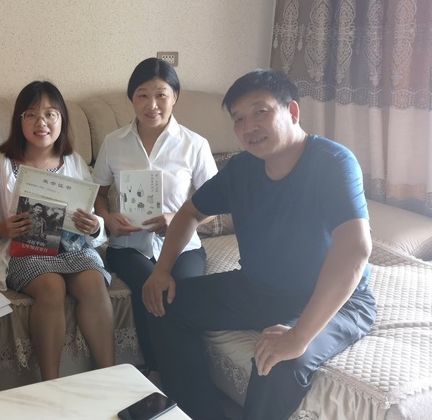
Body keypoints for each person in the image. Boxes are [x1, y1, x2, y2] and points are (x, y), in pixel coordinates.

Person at [142, 69, 376, 420]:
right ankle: (200, 413)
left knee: (277, 363)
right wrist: (162, 270)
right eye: (239, 119)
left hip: (336, 301)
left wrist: (299, 335)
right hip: (258, 288)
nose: (248, 126)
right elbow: (189, 213)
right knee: (162, 303)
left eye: (260, 112)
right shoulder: (242, 168)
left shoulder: (333, 163)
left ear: (292, 112)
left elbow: (355, 248)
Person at [0, 80, 114, 380]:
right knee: (51, 287)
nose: (42, 122)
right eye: (32, 114)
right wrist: (2, 228)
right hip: (25, 250)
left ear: (62, 119)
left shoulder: (74, 162)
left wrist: (94, 225)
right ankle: (51, 383)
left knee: (94, 283)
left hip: (73, 249)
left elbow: (90, 213)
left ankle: (110, 377)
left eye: (51, 114)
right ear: (19, 120)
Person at [92, 58, 217, 373]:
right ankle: (163, 376)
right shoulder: (114, 142)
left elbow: (214, 206)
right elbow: (98, 194)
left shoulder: (194, 144)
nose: (152, 105)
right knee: (154, 288)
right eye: (142, 95)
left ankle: (165, 376)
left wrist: (177, 218)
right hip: (129, 247)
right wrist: (107, 218)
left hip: (183, 246)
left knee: (183, 296)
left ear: (175, 96)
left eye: (161, 95)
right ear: (131, 98)